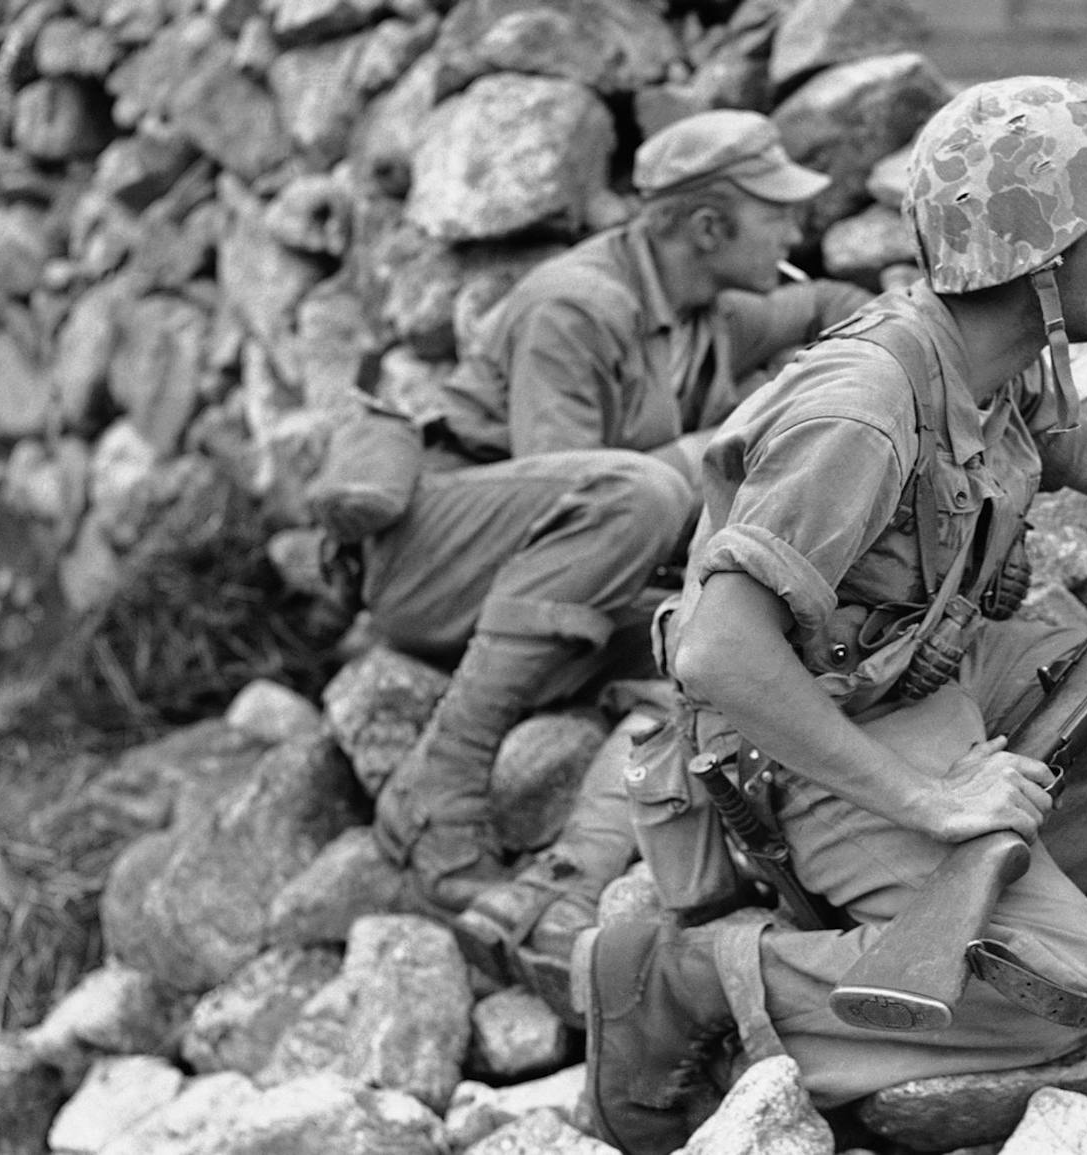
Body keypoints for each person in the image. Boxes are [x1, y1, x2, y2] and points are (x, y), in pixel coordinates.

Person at [577, 77, 1087, 1154]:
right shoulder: (861, 413)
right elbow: (721, 653)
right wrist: (931, 804)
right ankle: (694, 980)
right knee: (1069, 982)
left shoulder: (996, 358)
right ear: (1045, 269)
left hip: (929, 673)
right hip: (812, 730)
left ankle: (969, 890)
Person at [366, 109, 869, 1003]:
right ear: (709, 227)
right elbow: (572, 492)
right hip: (442, 569)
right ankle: (440, 782)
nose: (795, 234)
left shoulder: (708, 310)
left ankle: (556, 892)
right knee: (641, 492)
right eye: (776, 215)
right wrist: (736, 439)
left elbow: (834, 306)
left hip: (558, 597)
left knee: (720, 652)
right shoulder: (578, 306)